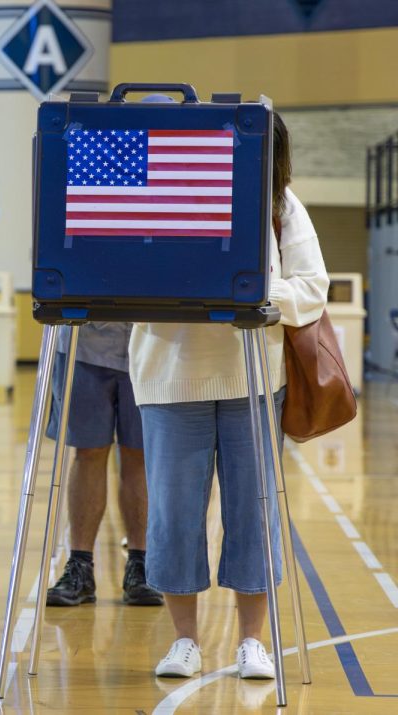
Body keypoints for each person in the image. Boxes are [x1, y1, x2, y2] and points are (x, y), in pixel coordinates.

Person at [131, 113, 328, 679]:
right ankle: (185, 641)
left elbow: (313, 287)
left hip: (253, 379)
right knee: (173, 515)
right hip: (170, 378)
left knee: (254, 511)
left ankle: (252, 643)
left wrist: (249, 288)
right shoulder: (158, 194)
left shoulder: (281, 204)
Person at [43, 323, 162, 607]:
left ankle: (141, 565)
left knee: (140, 454)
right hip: (84, 343)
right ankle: (80, 566)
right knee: (88, 452)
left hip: (150, 342)